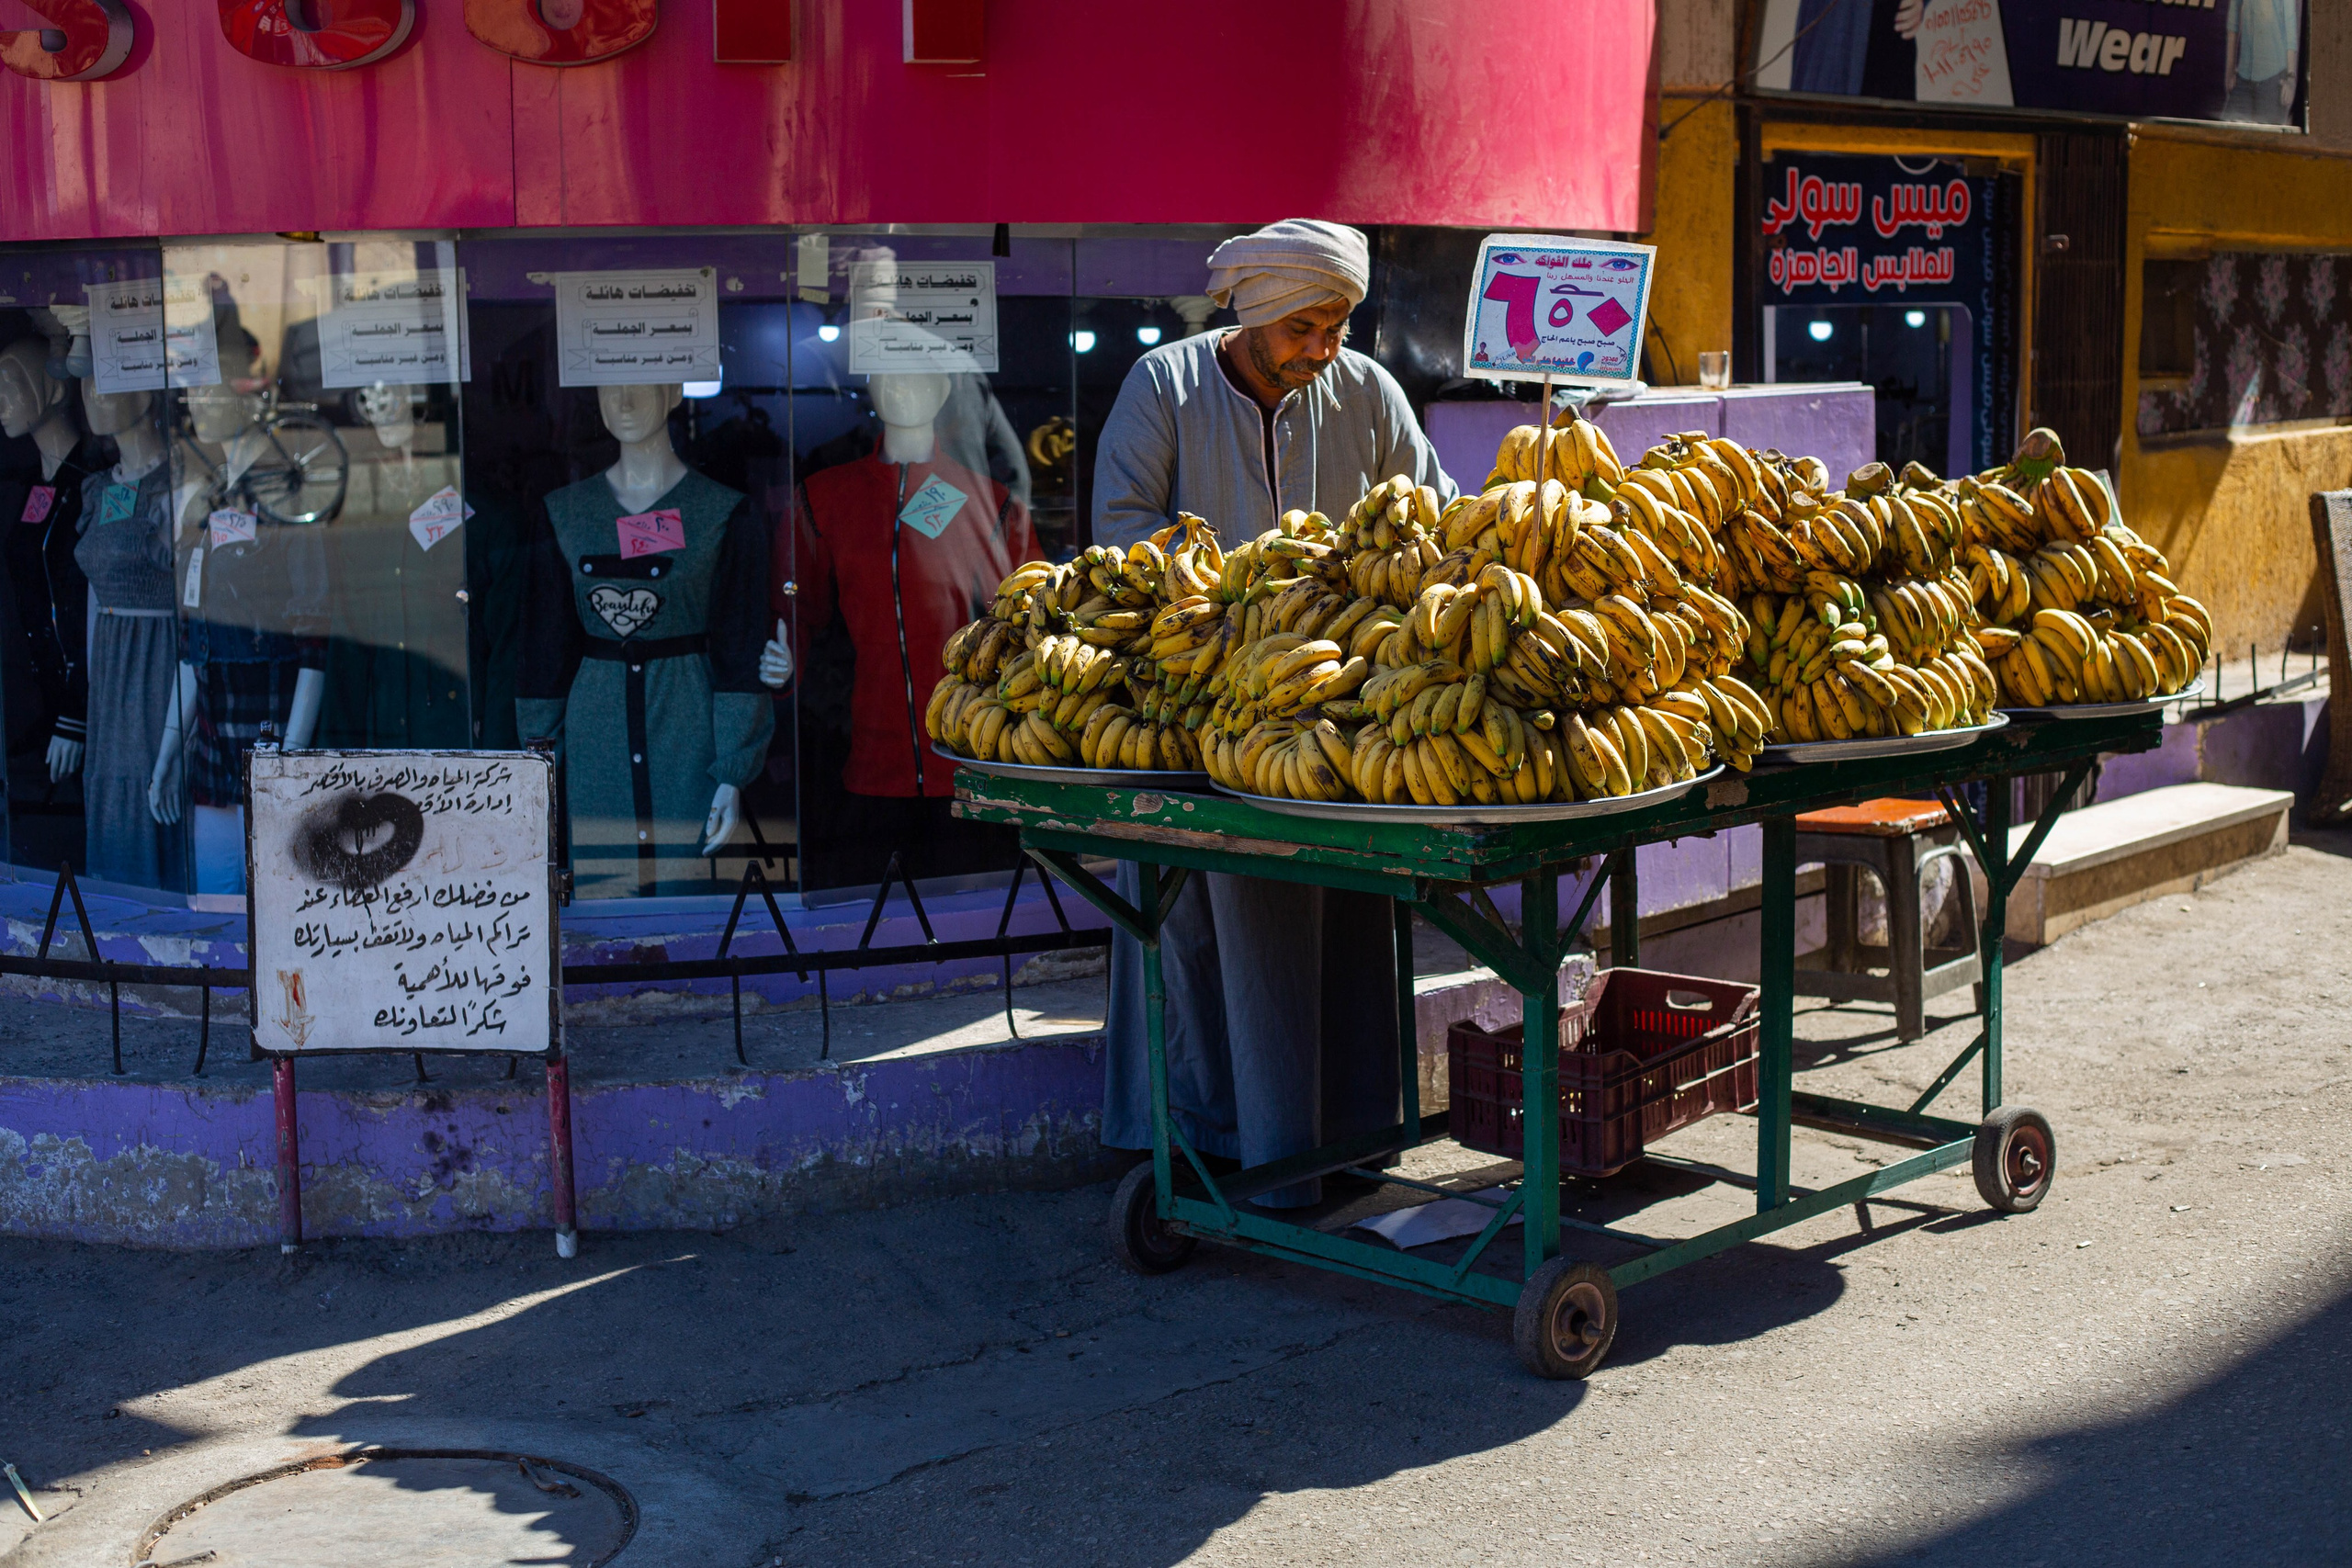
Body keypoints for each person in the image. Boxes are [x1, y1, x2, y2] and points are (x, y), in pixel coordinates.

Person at [1091, 219, 1456, 1207]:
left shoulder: (1366, 392)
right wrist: (1240, 595)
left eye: (1338, 324)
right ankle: (1206, 1142)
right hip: (1197, 719)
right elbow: (1120, 538)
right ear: (1251, 313)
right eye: (1303, 326)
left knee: (1344, 926)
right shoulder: (1162, 387)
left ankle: (1342, 1139)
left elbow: (1433, 512)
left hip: (1346, 723)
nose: (1322, 348)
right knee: (1210, 938)